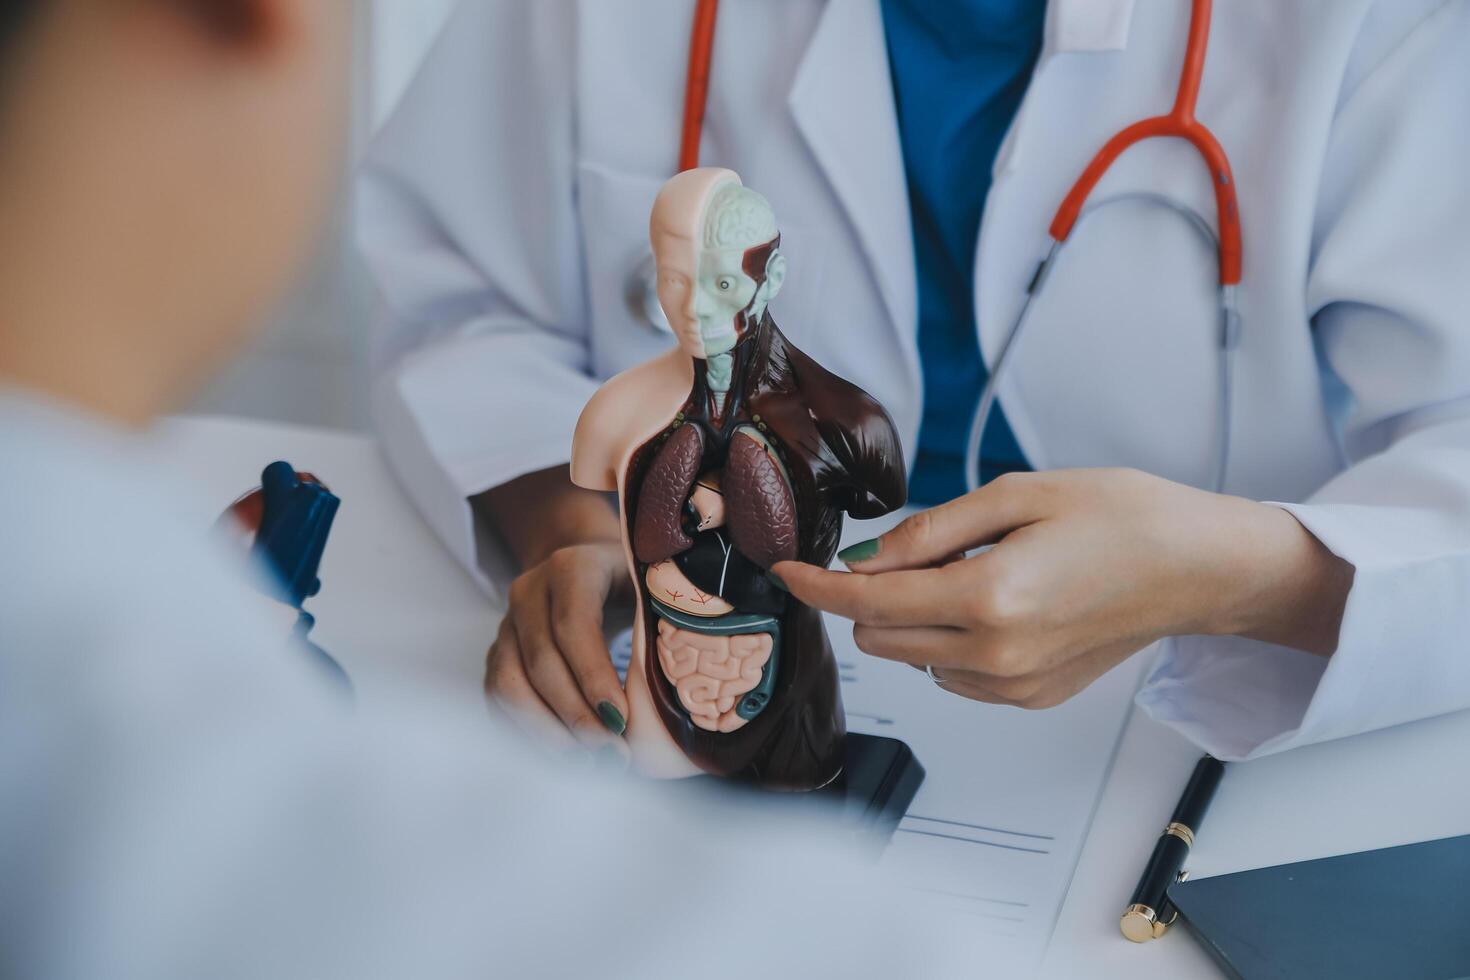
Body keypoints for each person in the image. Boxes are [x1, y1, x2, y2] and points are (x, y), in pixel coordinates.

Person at [0, 2, 970, 977]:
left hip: (849, 674)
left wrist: (1138, 560)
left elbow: (871, 470)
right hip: (681, 663)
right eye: (675, 282)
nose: (690, 307)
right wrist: (575, 528)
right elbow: (463, 303)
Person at [360, 0, 1470, 764]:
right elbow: (459, 302)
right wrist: (581, 525)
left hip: (1209, 728)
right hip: (733, 684)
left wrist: (1228, 576)